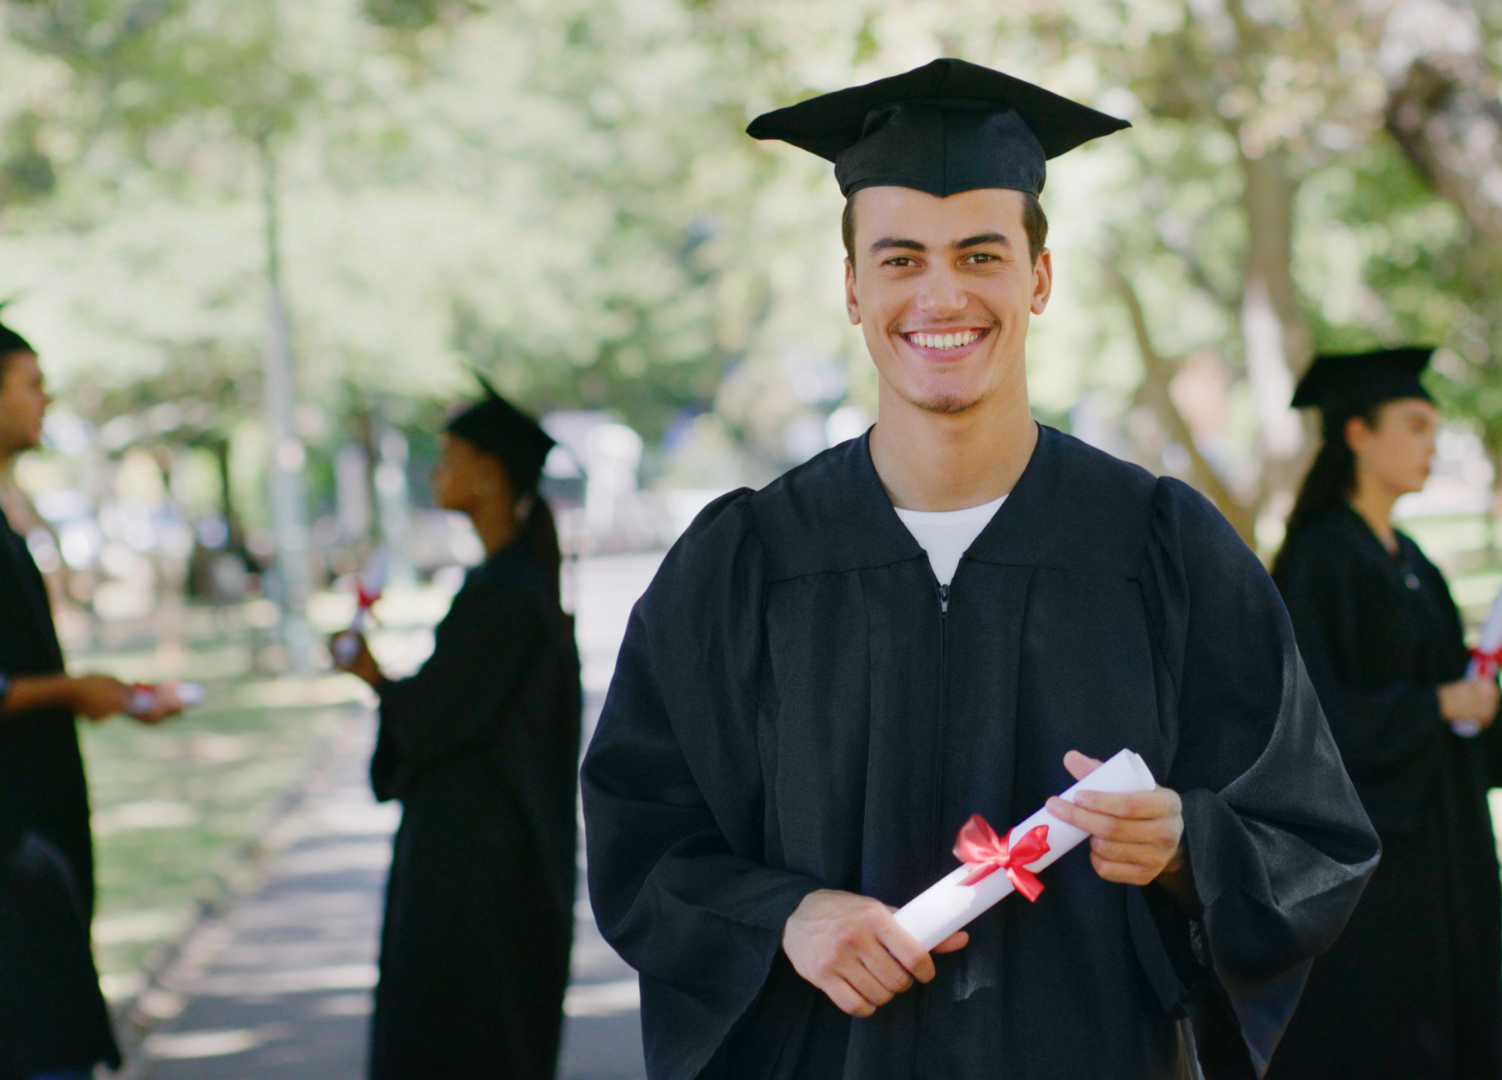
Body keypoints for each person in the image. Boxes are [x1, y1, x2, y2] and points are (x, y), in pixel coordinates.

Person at [581, 59, 1380, 1080]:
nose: (942, 293)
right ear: (854, 288)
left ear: (1039, 278)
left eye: (981, 254)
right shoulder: (745, 564)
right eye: (902, 259)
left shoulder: (1160, 547)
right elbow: (642, 838)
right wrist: (789, 916)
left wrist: (1189, 844)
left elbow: (1313, 837)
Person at [1266, 348, 1502, 1080]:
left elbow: (1444, 691)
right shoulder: (1318, 561)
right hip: (1372, 859)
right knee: (1383, 1031)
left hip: (1443, 839)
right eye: (1415, 425)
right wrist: (1437, 704)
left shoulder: (1410, 558)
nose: (1431, 443)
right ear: (1357, 434)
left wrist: (1483, 673)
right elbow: (1308, 717)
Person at [333, 380, 582, 1080]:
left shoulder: (506, 594)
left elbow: (437, 722)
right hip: (482, 862)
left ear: (488, 473)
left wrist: (375, 678)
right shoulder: (514, 585)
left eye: (448, 457)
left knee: (458, 1041)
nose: (435, 473)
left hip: (476, 876)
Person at [0, 319, 182, 1080]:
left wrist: (96, 695)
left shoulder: (9, 524)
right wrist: (75, 689)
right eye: (30, 383)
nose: (46, 399)